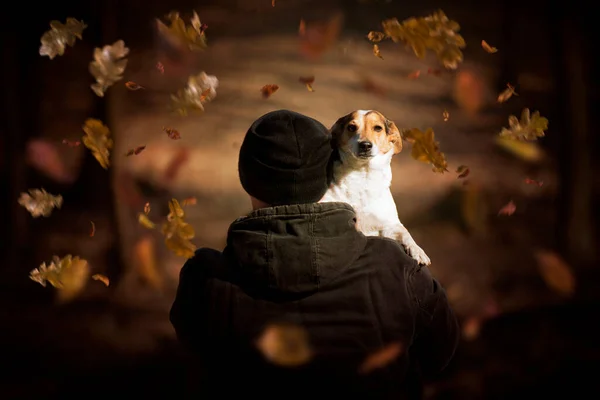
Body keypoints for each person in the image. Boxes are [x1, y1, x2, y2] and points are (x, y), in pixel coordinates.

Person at [170, 109, 460, 399]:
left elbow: (194, 365)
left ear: (247, 180)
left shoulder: (205, 281)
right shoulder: (398, 267)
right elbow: (439, 354)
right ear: (329, 167)